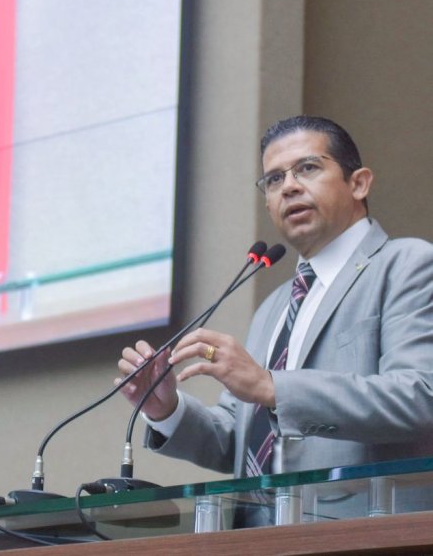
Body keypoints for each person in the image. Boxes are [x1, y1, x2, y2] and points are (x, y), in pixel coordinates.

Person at [117, 115, 433, 514]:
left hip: (365, 532)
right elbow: (239, 441)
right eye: (274, 179)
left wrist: (273, 387)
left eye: (308, 168)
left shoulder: (408, 264)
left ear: (359, 183)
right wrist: (167, 408)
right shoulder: (274, 308)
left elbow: (421, 397)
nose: (290, 187)